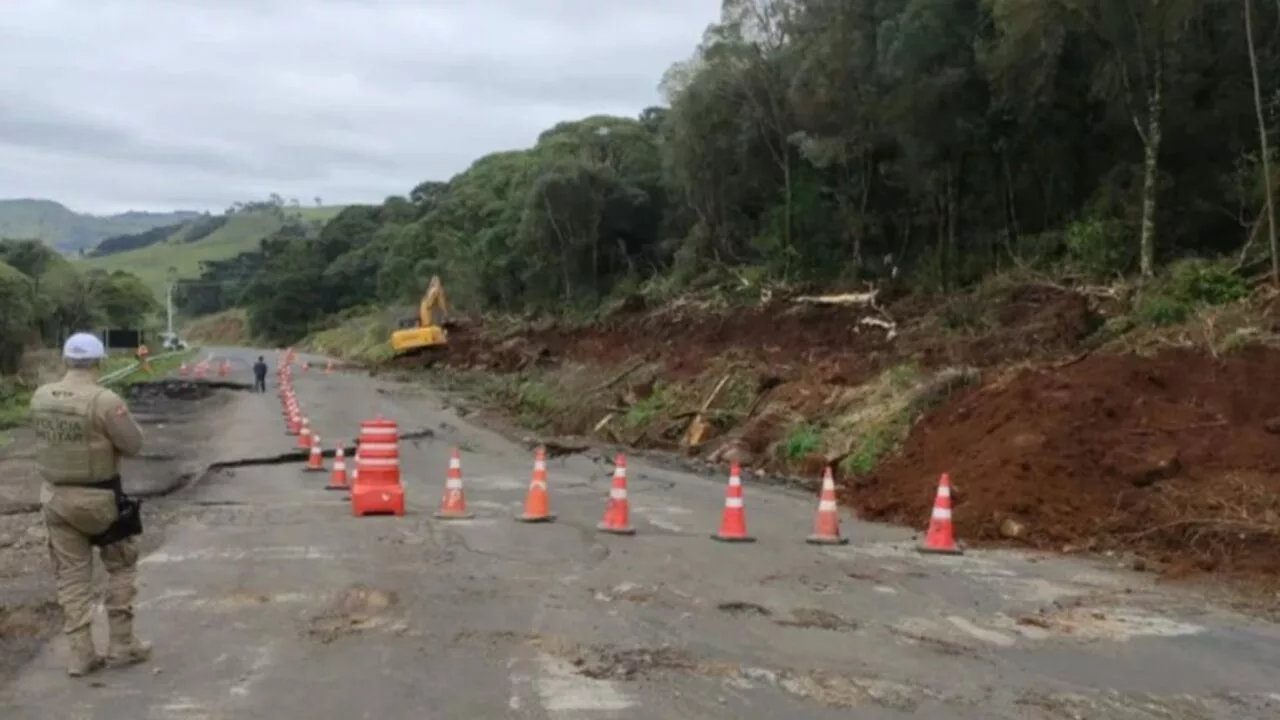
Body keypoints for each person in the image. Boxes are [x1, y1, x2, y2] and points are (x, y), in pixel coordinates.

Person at [29, 332, 151, 677]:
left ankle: (81, 654)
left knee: (71, 578)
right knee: (121, 566)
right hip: (100, 500)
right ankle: (122, 645)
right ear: (100, 361)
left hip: (55, 498)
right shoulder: (104, 400)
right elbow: (133, 444)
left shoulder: (41, 397)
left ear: (65, 359)